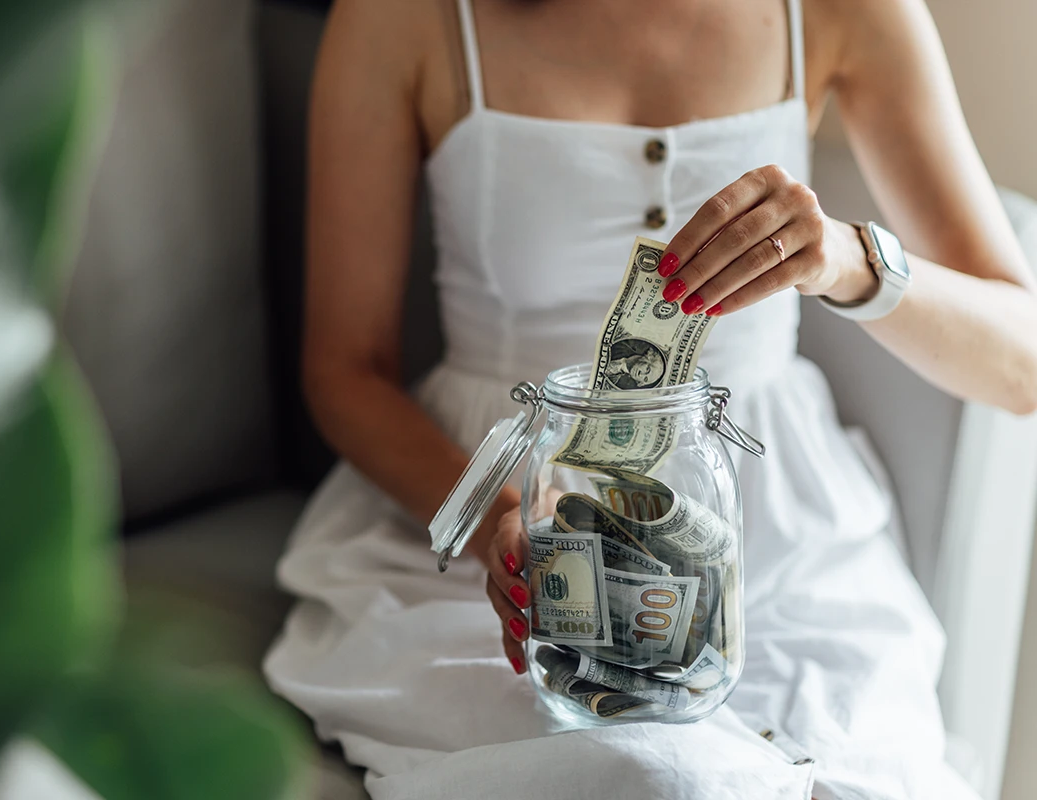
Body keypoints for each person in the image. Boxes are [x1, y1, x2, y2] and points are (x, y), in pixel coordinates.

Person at [263, 0, 1037, 797]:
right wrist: (501, 518)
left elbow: (1023, 365)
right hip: (491, 529)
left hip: (783, 542)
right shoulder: (402, 19)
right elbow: (344, 371)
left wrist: (847, 261)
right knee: (652, 777)